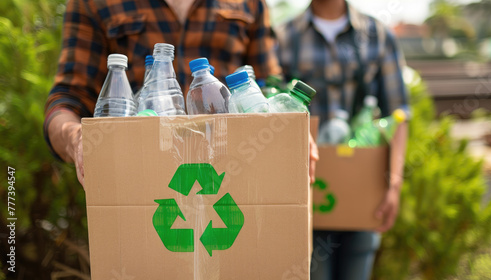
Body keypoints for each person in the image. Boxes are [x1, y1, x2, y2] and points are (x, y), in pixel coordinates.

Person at [44, 0, 319, 188]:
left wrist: (292, 124)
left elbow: (268, 84)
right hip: (140, 181)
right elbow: (68, 98)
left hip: (236, 181)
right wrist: (77, 139)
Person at [276, 0, 408, 279]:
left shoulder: (378, 35)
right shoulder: (285, 36)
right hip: (307, 187)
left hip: (362, 185)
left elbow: (398, 116)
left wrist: (394, 184)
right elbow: (272, 111)